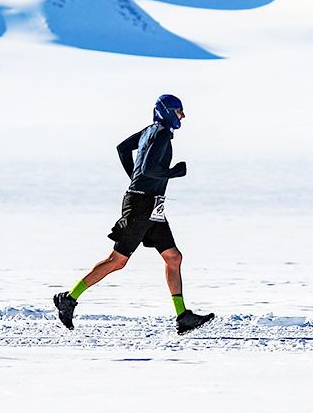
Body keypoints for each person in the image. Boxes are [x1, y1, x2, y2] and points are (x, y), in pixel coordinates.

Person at [54, 94, 215, 335]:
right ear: (167, 111)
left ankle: (183, 317)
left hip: (151, 205)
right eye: (179, 111)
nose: (183, 116)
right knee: (117, 261)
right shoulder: (161, 133)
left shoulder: (150, 131)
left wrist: (135, 179)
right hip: (140, 206)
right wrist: (174, 172)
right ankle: (68, 298)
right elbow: (149, 169)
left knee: (174, 258)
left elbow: (123, 149)